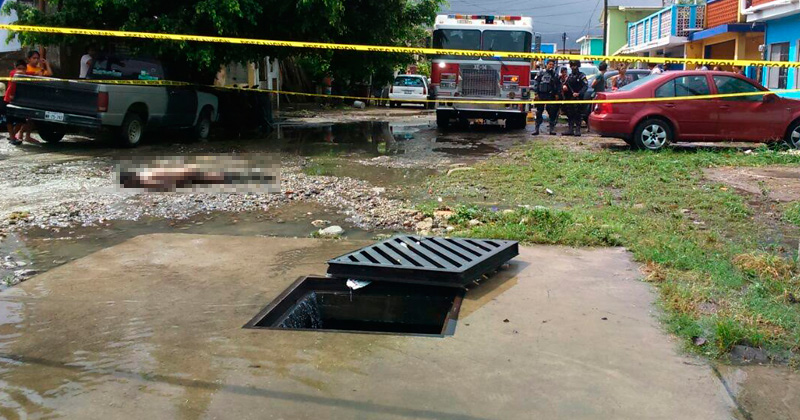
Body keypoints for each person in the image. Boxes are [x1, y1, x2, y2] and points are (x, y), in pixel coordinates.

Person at [532, 59, 562, 136]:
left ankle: (551, 129)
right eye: (550, 64)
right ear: (547, 65)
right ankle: (536, 129)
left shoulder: (555, 75)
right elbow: (536, 83)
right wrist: (536, 93)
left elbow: (559, 85)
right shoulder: (541, 73)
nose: (551, 66)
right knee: (539, 112)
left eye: (552, 65)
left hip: (551, 95)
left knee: (552, 112)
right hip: (541, 95)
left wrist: (557, 94)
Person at [4, 60, 28, 145]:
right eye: (19, 68)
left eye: (23, 68)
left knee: (21, 120)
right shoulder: (13, 73)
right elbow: (12, 83)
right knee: (9, 119)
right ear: (15, 68)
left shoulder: (26, 75)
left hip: (20, 100)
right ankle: (12, 137)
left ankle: (12, 136)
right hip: (10, 98)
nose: (21, 70)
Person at [562, 60, 588, 137]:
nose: (573, 67)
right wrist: (564, 86)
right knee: (570, 113)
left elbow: (585, 86)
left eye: (575, 66)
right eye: (572, 66)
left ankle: (577, 130)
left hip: (578, 98)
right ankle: (570, 129)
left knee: (578, 114)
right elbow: (566, 84)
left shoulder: (581, 76)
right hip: (570, 98)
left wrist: (579, 93)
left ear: (578, 66)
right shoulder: (570, 76)